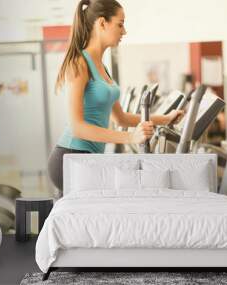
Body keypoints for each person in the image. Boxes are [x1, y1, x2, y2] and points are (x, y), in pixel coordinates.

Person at [48, 0, 184, 196]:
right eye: (120, 24)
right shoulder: (80, 63)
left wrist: (165, 119)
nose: (124, 31)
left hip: (88, 157)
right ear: (102, 23)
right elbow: (78, 127)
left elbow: (121, 118)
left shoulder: (103, 67)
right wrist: (131, 137)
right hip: (71, 156)